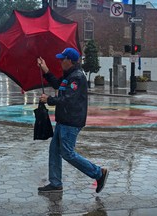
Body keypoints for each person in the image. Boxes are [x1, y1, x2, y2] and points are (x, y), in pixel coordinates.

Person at [37, 48, 109, 193]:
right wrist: (45, 69)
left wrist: (49, 99)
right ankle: (55, 183)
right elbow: (58, 84)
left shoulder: (77, 77)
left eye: (62, 59)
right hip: (63, 120)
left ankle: (98, 173)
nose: (60, 61)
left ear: (69, 60)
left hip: (71, 122)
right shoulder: (69, 75)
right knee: (54, 151)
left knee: (67, 153)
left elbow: (68, 99)